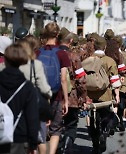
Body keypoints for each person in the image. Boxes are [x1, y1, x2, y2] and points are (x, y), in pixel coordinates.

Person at [36, 22, 70, 154]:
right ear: (57, 34)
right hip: (56, 95)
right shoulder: (61, 53)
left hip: (40, 95)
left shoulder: (37, 52)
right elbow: (63, 79)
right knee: (56, 128)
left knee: (40, 128)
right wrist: (66, 100)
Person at [0, 43, 39, 154]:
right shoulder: (27, 87)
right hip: (18, 136)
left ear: (5, 60)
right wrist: (33, 143)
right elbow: (32, 116)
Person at [17, 36, 52, 154]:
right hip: (35, 104)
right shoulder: (36, 65)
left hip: (18, 105)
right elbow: (45, 89)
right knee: (40, 138)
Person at [87, 36, 121, 154]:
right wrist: (117, 95)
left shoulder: (88, 59)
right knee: (105, 116)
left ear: (94, 46)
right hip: (105, 95)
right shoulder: (109, 61)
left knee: (92, 119)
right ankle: (104, 134)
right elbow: (115, 80)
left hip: (90, 95)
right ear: (105, 47)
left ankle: (95, 143)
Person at [57, 29, 88, 154]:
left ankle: (57, 146)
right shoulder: (74, 57)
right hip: (72, 97)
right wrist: (83, 97)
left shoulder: (51, 53)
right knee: (71, 125)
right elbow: (81, 80)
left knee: (56, 126)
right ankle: (67, 145)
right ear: (70, 41)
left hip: (53, 96)